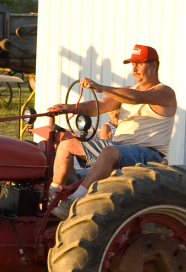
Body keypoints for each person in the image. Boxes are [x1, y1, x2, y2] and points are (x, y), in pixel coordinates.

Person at [46, 44, 177, 219]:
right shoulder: (128, 92)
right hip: (119, 147)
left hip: (149, 153)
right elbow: (97, 106)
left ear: (154, 65)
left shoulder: (164, 92)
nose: (135, 68)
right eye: (132, 64)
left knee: (109, 152)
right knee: (67, 144)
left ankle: (74, 201)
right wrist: (69, 108)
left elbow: (137, 98)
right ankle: (53, 194)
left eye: (139, 64)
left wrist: (100, 87)